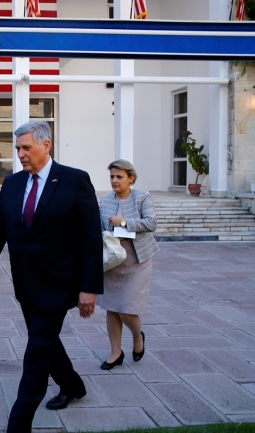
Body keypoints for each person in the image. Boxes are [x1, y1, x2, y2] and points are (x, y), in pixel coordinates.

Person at [0, 121, 103, 433]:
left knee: (36, 354)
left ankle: (19, 423)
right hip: (26, 285)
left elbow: (91, 238)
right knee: (45, 340)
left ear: (47, 145)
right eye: (17, 149)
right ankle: (72, 385)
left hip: (59, 283)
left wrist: (89, 288)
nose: (20, 154)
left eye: (26, 147)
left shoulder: (74, 180)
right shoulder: (13, 183)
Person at [98, 159, 159, 370]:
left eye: (119, 177)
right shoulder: (105, 201)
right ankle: (115, 352)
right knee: (112, 308)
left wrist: (124, 222)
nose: (114, 180)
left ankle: (137, 337)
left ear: (130, 178)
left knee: (127, 309)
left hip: (137, 259)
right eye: (112, 177)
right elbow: (99, 229)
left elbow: (151, 223)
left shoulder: (142, 197)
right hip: (113, 260)